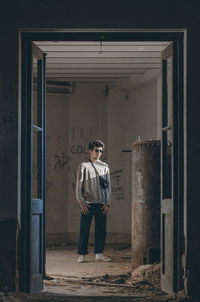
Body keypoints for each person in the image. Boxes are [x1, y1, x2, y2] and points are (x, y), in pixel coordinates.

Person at [75, 139, 111, 263]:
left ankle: (99, 254)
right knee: (84, 230)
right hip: (88, 204)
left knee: (101, 230)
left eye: (101, 151)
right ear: (91, 150)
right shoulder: (83, 166)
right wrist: (82, 203)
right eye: (97, 150)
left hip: (101, 203)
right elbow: (79, 186)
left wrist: (107, 203)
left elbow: (108, 186)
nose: (99, 153)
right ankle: (82, 254)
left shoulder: (105, 166)